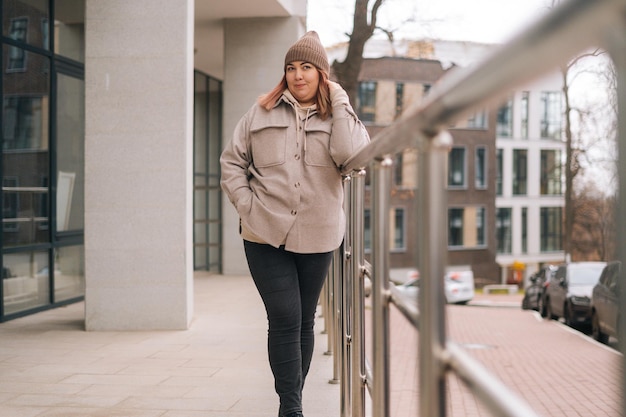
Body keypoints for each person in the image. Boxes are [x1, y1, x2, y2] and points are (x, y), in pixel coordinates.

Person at [220, 31, 370, 417]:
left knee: (303, 320)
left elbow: (353, 156)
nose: (297, 75)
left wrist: (338, 99)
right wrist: (246, 204)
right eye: (290, 67)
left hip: (319, 235)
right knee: (285, 316)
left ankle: (292, 401)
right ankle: (291, 408)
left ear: (321, 73)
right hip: (263, 231)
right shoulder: (260, 112)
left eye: (306, 67)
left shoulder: (338, 115)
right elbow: (232, 163)